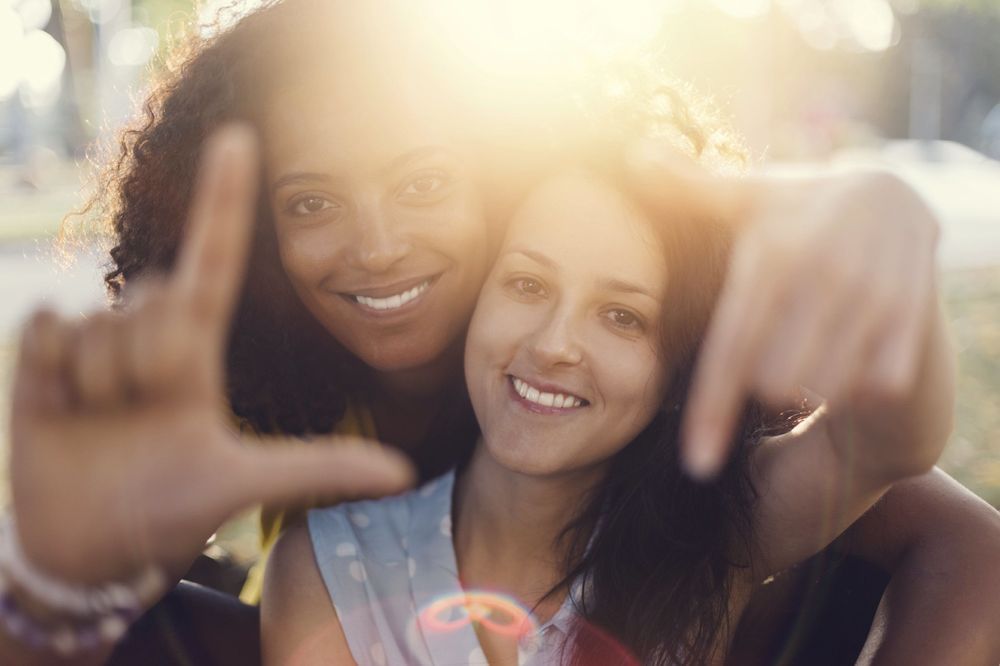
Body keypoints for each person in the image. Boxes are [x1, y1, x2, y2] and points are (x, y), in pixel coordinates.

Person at [3, 0, 999, 663]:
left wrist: (869, 216)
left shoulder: (656, 397)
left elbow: (946, 519)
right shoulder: (295, 475)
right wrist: (52, 565)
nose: (378, 246)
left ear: (506, 178)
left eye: (426, 183)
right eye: (310, 204)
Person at [260, 104, 953, 661]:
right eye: (527, 284)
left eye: (623, 317)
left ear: (684, 368)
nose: (555, 344)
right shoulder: (320, 568)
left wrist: (895, 226)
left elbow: (889, 441)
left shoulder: (715, 538)